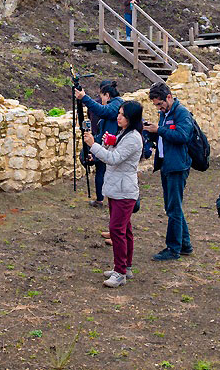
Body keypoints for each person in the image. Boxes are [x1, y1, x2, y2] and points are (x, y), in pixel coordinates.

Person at [84, 101, 144, 287]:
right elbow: (113, 154)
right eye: (119, 113)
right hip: (117, 188)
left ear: (131, 118)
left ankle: (120, 272)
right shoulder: (123, 134)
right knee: (125, 229)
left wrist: (94, 146)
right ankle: (125, 267)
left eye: (123, 115)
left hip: (124, 191)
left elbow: (114, 159)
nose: (118, 117)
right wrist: (107, 144)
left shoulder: (133, 138)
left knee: (116, 230)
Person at [143, 82, 194, 261]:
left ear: (169, 97)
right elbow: (165, 135)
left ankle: (173, 249)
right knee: (173, 206)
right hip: (167, 164)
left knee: (173, 208)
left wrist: (159, 129)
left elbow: (183, 136)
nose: (159, 107)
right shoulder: (164, 114)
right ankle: (185, 244)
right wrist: (152, 131)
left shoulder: (182, 113)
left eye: (160, 104)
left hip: (177, 166)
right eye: (156, 105)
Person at [75, 80, 124, 210]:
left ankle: (105, 200)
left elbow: (102, 110)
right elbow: (102, 132)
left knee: (104, 172)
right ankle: (103, 199)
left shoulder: (116, 105)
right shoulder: (115, 106)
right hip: (106, 144)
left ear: (107, 95)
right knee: (101, 171)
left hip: (112, 147)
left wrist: (84, 98)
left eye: (102, 97)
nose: (101, 100)